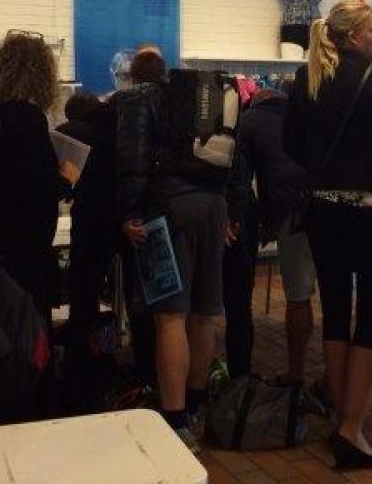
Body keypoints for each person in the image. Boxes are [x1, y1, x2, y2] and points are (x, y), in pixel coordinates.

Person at [283, 0, 372, 470]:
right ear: (354, 36)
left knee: (336, 312)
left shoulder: (308, 77)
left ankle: (340, 415)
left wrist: (327, 169)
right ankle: (351, 427)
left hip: (324, 211)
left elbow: (291, 143)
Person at [115, 47, 228, 452]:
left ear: (133, 75)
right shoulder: (199, 97)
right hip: (213, 205)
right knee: (205, 313)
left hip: (168, 209)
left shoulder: (136, 100)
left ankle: (175, 419)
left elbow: (133, 161)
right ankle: (195, 406)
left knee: (170, 318)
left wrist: (130, 212)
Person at [0, 30, 74, 418]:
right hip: (25, 254)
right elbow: (38, 189)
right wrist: (65, 180)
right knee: (30, 343)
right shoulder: (28, 120)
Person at [55, 90, 156, 413]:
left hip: (91, 222)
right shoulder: (126, 127)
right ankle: (146, 372)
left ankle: (76, 377)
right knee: (137, 299)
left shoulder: (71, 133)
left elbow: (63, 183)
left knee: (83, 298)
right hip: (131, 218)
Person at [223, 86, 319, 391]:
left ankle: (295, 372)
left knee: (298, 296)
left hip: (292, 212)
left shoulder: (250, 120)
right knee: (334, 297)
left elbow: (241, 176)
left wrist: (235, 218)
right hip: (325, 206)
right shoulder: (306, 114)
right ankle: (334, 379)